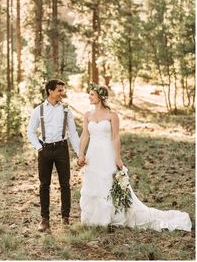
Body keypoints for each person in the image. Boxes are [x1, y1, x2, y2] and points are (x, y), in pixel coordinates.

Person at [78, 83, 192, 231]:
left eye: (92, 94)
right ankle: (94, 217)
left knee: (108, 182)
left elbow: (115, 138)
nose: (89, 96)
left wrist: (117, 158)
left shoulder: (112, 115)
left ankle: (113, 217)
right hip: (93, 155)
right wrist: (81, 153)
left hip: (107, 154)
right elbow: (85, 135)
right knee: (94, 183)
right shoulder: (88, 115)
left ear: (100, 97)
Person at [28, 79, 80, 232]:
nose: (62, 94)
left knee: (65, 184)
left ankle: (65, 218)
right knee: (44, 185)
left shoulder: (66, 110)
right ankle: (45, 219)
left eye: (63, 90)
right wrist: (38, 147)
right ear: (50, 91)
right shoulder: (39, 110)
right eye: (59, 91)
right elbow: (30, 131)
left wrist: (79, 153)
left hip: (62, 149)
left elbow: (73, 133)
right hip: (44, 150)